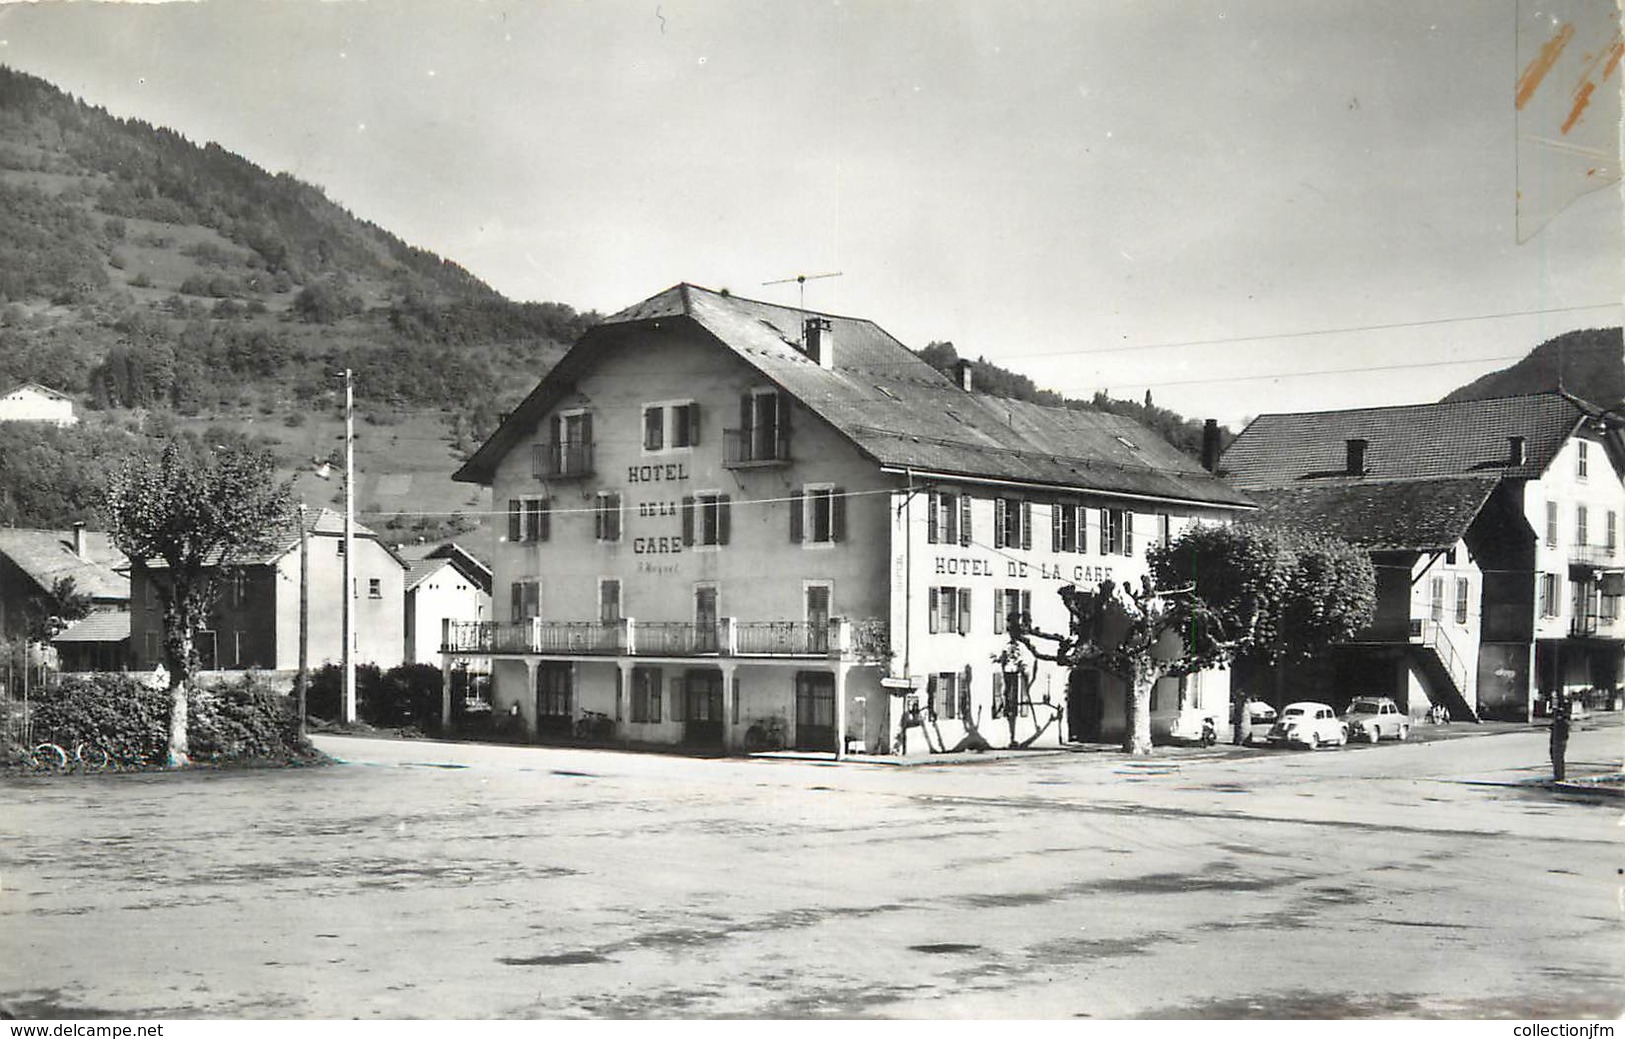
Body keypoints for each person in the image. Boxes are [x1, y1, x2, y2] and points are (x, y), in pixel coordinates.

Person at [1549, 691, 1571, 783]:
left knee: (1558, 759)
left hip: (1559, 742)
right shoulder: (1560, 722)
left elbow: (1563, 734)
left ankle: (1559, 776)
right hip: (1557, 742)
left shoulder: (1562, 723)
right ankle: (1558, 775)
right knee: (1556, 759)